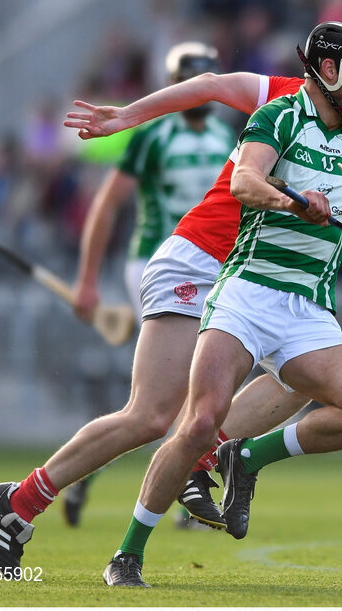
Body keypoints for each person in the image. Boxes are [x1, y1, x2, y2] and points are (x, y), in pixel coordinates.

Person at [0, 30, 342, 581]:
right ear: (331, 73)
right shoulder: (286, 101)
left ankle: (215, 453)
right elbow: (212, 86)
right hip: (202, 260)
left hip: (272, 282)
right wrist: (128, 115)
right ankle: (24, 499)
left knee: (301, 378)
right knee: (152, 415)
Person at [62, 41, 233, 528]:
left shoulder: (229, 135)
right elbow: (107, 204)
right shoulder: (152, 134)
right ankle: (181, 485)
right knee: (167, 400)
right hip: (158, 264)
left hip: (212, 263)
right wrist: (88, 280)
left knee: (176, 397)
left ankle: (93, 477)